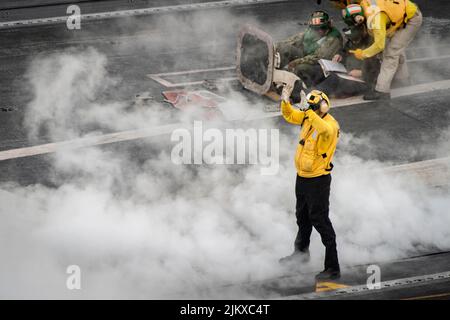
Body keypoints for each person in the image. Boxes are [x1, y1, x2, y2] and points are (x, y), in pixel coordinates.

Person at [279, 86, 341, 280]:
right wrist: (285, 101)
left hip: (318, 180)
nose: (309, 111)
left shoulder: (330, 125)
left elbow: (322, 129)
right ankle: (301, 255)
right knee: (302, 218)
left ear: (321, 107)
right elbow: (291, 116)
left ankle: (333, 267)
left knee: (320, 222)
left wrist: (308, 110)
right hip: (303, 177)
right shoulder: (309, 117)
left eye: (313, 108)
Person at [348, 1, 422, 100]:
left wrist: (363, 54)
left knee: (391, 53)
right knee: (394, 47)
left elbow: (379, 45)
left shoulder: (375, 18)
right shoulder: (364, 6)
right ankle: (402, 79)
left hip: (411, 19)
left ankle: (382, 91)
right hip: (399, 14)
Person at [316, 4, 381, 97]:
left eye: (355, 40)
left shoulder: (371, 42)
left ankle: (322, 94)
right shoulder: (353, 39)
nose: (353, 42)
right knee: (330, 78)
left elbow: (377, 68)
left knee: (342, 90)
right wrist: (339, 55)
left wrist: (362, 72)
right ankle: (316, 93)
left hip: (365, 79)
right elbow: (345, 49)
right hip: (349, 73)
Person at [276, 10, 343, 87]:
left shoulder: (334, 38)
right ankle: (275, 73)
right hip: (306, 57)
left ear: (328, 25)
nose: (319, 31)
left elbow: (318, 56)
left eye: (322, 28)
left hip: (320, 66)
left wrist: (296, 62)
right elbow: (294, 39)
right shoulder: (311, 31)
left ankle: (299, 89)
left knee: (301, 68)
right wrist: (278, 46)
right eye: (316, 29)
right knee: (286, 49)